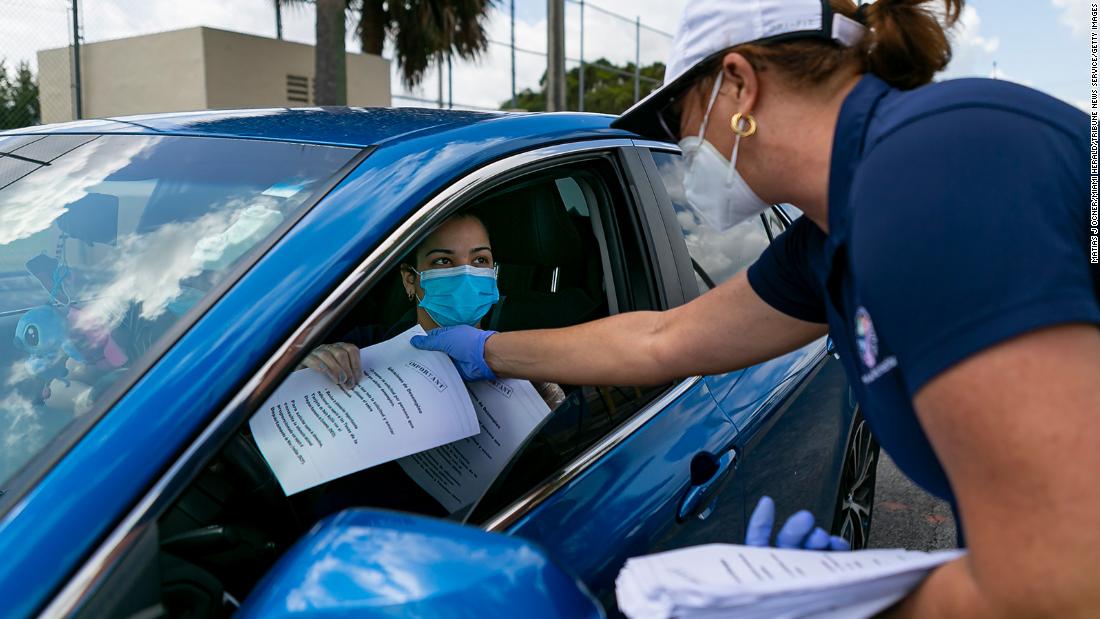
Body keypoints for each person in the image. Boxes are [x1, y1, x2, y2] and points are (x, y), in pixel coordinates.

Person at [410, 0, 1100, 615]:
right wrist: (483, 350)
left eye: (680, 120)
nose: (682, 151)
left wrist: (841, 600)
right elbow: (661, 338)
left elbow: (1063, 580)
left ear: (739, 84)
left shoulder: (928, 170)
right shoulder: (828, 236)